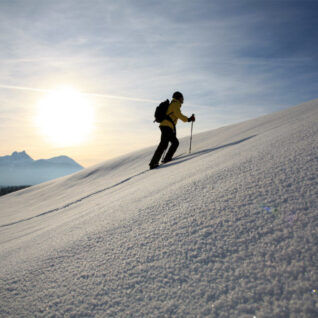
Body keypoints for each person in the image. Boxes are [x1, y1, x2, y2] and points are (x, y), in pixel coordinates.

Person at [149, 91, 195, 169]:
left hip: (166, 126)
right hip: (167, 126)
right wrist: (188, 119)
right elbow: (178, 115)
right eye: (182, 97)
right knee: (169, 143)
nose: (183, 99)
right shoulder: (175, 104)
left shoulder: (174, 104)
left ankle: (159, 160)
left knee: (169, 143)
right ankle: (155, 162)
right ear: (178, 98)